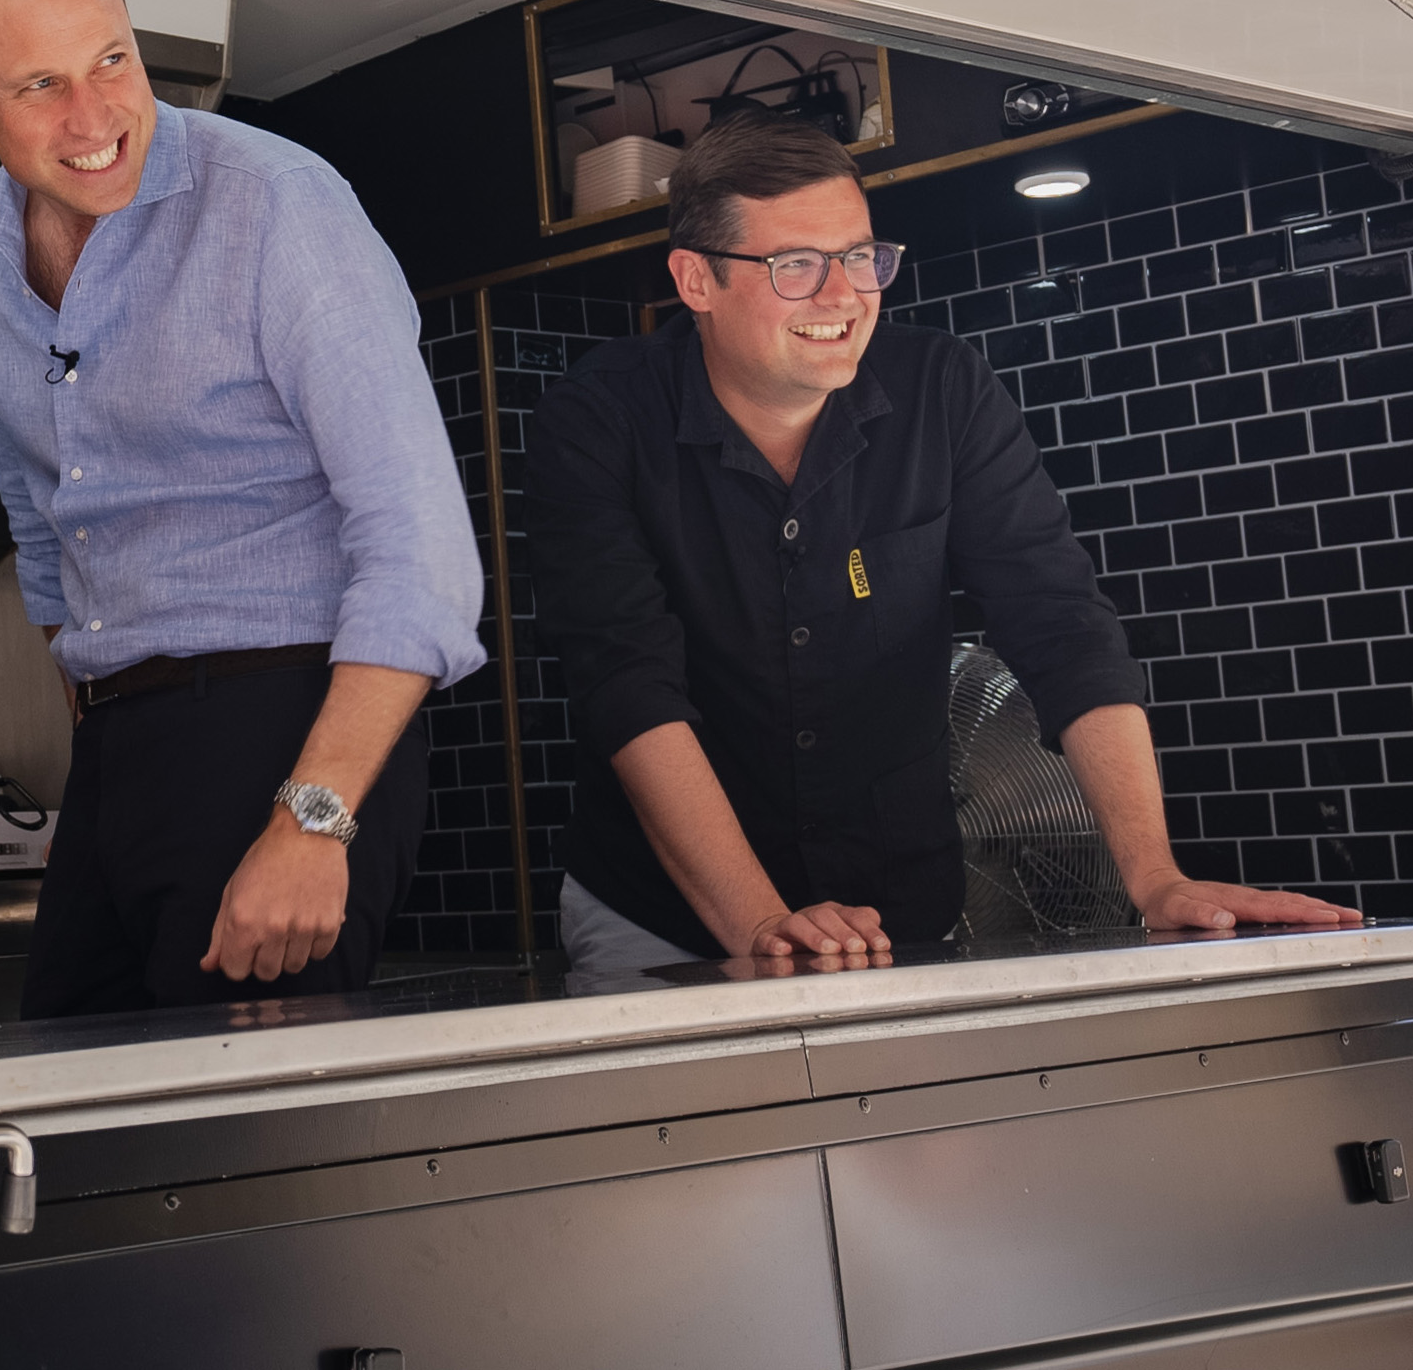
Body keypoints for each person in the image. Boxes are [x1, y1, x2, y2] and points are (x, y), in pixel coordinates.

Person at [528, 109, 1361, 988]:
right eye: (796, 265)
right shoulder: (596, 421)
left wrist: (1152, 878)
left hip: (898, 908)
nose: (844, 296)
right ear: (697, 280)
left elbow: (1061, 625)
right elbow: (627, 682)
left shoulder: (944, 390)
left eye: (859, 257)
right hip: (657, 917)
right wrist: (760, 922)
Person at [0, 0, 484, 1015]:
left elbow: (423, 554)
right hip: (117, 746)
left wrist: (308, 821)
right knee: (77, 1113)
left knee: (243, 1159)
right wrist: (102, 758)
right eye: (39, 84)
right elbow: (43, 518)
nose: (94, 120)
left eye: (111, 60)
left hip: (291, 724)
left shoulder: (279, 203)